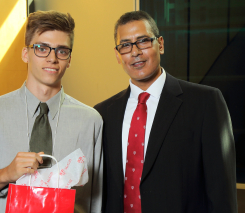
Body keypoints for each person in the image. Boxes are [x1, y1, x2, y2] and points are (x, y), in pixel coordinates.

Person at [0, 10, 103, 213]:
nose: (52, 58)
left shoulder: (91, 121)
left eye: (61, 50)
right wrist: (4, 175)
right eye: (42, 48)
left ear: (69, 59)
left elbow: (96, 200)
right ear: (25, 54)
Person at [94, 10, 237, 213]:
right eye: (125, 45)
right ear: (118, 55)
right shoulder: (102, 114)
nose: (135, 52)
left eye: (143, 41)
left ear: (160, 44)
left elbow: (221, 193)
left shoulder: (205, 103)